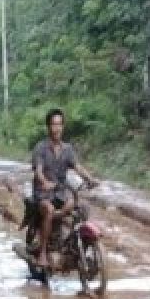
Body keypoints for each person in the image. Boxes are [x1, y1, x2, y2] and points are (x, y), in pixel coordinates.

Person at [31, 108, 98, 268]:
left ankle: (73, 246)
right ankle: (42, 251)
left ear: (63, 126)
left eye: (60, 124)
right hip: (43, 194)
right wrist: (44, 181)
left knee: (77, 206)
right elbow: (38, 170)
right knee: (48, 210)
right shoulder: (40, 148)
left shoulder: (67, 149)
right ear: (48, 127)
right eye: (54, 124)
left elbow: (78, 166)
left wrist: (89, 179)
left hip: (60, 192)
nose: (57, 128)